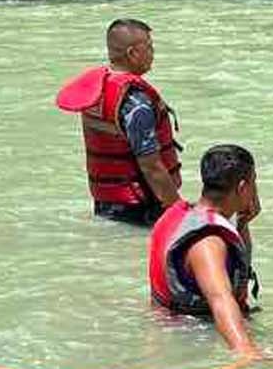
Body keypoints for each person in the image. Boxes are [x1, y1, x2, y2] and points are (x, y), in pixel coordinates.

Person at [54, 17, 184, 224]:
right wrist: (179, 212)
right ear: (133, 53)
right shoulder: (136, 102)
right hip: (142, 207)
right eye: (149, 48)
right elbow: (151, 167)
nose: (153, 54)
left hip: (107, 205)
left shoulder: (97, 90)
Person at [148, 144, 261, 358]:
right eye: (255, 182)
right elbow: (220, 299)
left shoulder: (175, 215)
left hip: (166, 339)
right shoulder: (208, 241)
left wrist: (243, 224)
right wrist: (246, 351)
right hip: (193, 349)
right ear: (243, 187)